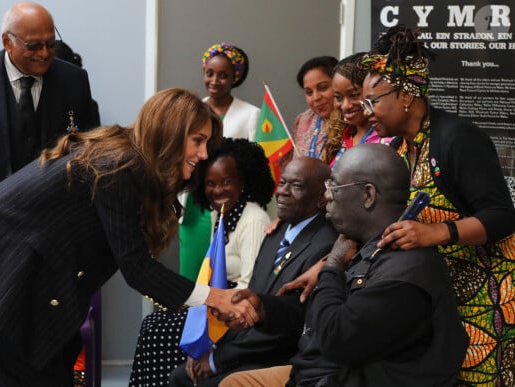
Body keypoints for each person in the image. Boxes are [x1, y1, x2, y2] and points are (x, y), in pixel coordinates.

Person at [0, 88, 260, 386]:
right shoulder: (120, 166)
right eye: (197, 140)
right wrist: (216, 297)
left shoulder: (125, 156)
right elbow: (137, 269)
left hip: (9, 271)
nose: (203, 154)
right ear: (171, 133)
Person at [219, 144, 469, 387]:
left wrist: (333, 267)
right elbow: (318, 316)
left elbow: (335, 339)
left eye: (334, 186)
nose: (326, 195)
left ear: (368, 196)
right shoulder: (364, 246)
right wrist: (265, 308)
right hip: (316, 372)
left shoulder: (403, 273)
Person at [356, 25, 515, 385]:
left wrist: (436, 232)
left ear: (407, 95)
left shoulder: (456, 138)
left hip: (485, 302)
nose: (367, 113)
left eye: (372, 101)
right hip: (439, 300)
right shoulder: (396, 149)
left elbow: (502, 216)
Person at [168, 157, 338, 387]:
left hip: (279, 357)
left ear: (321, 198)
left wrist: (218, 360)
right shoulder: (277, 232)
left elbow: (290, 325)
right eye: (283, 183)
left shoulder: (326, 244)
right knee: (180, 376)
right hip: (248, 344)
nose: (282, 193)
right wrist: (211, 345)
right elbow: (251, 298)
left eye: (296, 186)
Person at [129, 137, 274, 387]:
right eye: (210, 183)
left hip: (234, 314)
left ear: (243, 181)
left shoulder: (253, 218)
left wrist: (211, 306)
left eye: (226, 181)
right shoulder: (221, 214)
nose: (218, 190)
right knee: (152, 323)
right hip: (214, 304)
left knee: (157, 332)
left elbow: (253, 286)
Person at [0, 2, 100, 212]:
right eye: (34, 45)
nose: (45, 53)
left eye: (51, 44)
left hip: (54, 219)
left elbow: (89, 155)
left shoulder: (75, 80)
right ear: (8, 42)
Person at [179, 43, 261, 286]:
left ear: (235, 77)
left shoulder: (251, 114)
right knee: (190, 280)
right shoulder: (191, 111)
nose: (215, 80)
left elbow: (254, 166)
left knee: (219, 278)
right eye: (210, 73)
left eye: (223, 75)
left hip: (228, 204)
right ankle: (185, 324)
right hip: (193, 205)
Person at [321, 53, 391, 168]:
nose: (345, 106)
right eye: (338, 97)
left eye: (354, 95)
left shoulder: (389, 139)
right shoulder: (338, 136)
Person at [289, 56, 338, 159]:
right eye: (309, 92)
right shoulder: (303, 120)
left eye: (323, 88)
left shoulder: (353, 119)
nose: (316, 98)